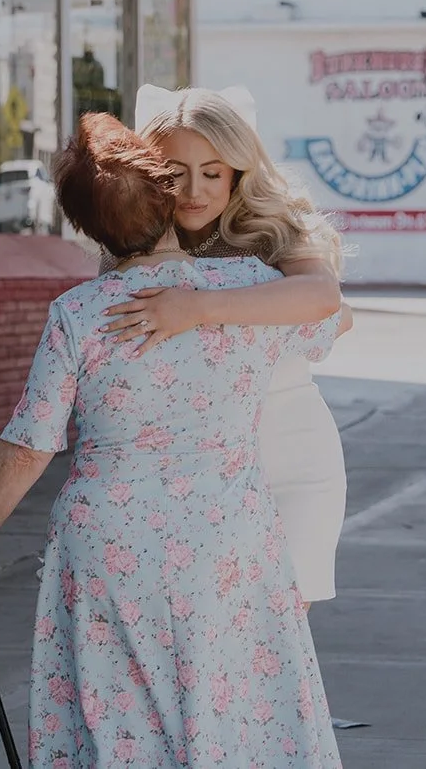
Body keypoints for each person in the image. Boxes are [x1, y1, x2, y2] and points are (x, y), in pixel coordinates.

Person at [0, 113, 344, 767]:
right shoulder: (254, 288)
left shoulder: (79, 312)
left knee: (117, 714)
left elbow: (29, 442)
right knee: (237, 706)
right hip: (227, 536)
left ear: (86, 225)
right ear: (168, 195)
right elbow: (330, 315)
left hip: (109, 543)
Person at [100, 85, 351, 606]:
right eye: (174, 172)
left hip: (290, 458)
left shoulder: (273, 228)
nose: (194, 190)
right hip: (189, 470)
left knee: (274, 640)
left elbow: (325, 298)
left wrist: (196, 309)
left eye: (212, 172)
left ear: (237, 171)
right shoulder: (134, 240)